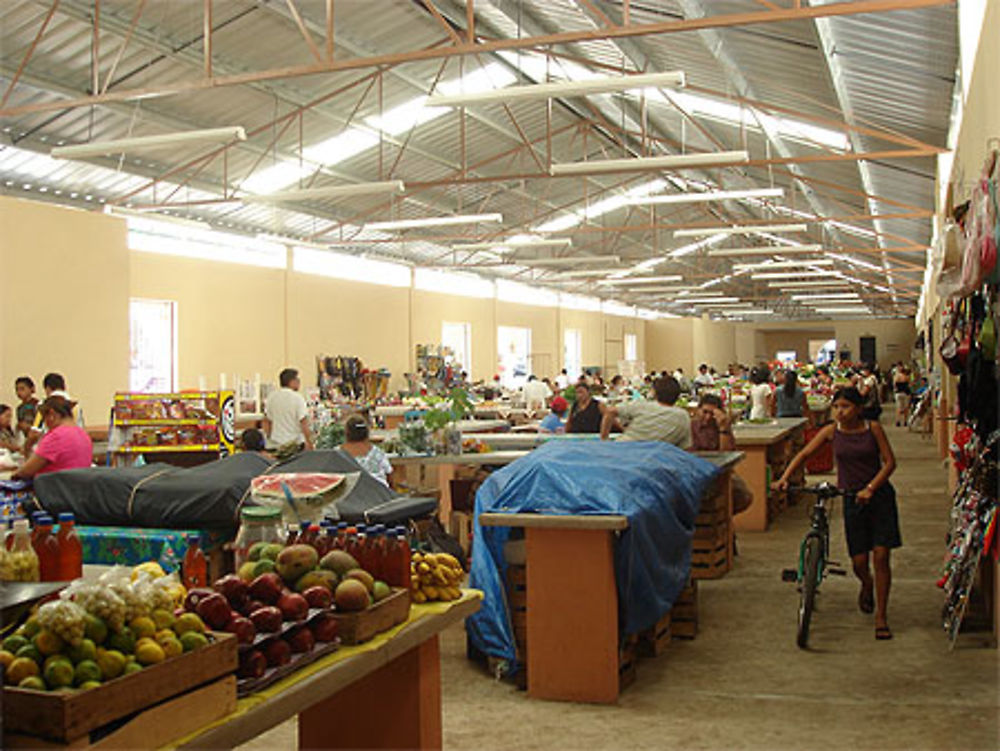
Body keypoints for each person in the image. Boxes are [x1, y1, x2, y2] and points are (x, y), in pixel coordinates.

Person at [773, 387, 900, 640]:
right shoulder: (831, 431)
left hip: (879, 497)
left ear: (858, 408)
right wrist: (783, 479)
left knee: (881, 555)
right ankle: (866, 584)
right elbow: (805, 453)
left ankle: (881, 617)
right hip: (852, 499)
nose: (840, 412)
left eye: (846, 407)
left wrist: (871, 488)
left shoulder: (873, 429)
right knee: (859, 562)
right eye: (836, 407)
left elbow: (890, 462)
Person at [690, 394, 753, 514]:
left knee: (743, 496)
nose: (708, 417)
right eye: (705, 412)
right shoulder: (691, 427)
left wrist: (723, 428)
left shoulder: (721, 429)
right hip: (696, 474)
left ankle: (724, 522)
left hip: (720, 474)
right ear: (698, 410)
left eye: (712, 414)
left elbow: (727, 456)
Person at [13, 396, 93, 479]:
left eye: (44, 419)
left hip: (54, 488)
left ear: (52, 414)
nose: (46, 424)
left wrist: (28, 445)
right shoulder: (83, 434)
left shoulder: (56, 437)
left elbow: (27, 471)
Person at [600, 376, 691, 448]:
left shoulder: (641, 405)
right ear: (678, 396)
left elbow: (610, 412)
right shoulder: (683, 416)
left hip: (623, 450)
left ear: (655, 393)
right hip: (651, 460)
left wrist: (604, 440)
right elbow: (685, 448)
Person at [25, 373, 84, 454]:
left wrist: (25, 449)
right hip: (75, 448)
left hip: (52, 450)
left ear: (47, 388)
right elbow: (81, 429)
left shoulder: (44, 405)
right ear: (64, 387)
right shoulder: (76, 406)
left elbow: (35, 433)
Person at [263, 368, 314, 451]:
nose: (299, 382)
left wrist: (269, 437)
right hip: (294, 445)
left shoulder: (271, 397)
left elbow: (266, 422)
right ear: (292, 381)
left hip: (275, 444)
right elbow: (304, 423)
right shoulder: (298, 398)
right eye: (297, 379)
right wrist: (309, 443)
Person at [340, 415, 392, 487]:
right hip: (378, 494)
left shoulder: (338, 454)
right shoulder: (377, 453)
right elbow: (389, 475)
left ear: (346, 433)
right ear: (367, 433)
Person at [14, 377, 39, 442]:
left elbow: (40, 425)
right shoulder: (19, 408)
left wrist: (28, 427)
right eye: (17, 389)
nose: (19, 392)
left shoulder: (38, 405)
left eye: (22, 389)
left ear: (31, 389)